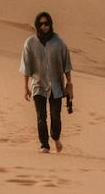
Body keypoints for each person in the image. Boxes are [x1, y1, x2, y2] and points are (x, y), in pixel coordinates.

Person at [20, 11, 73, 153]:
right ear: (37, 25)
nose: (44, 27)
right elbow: (26, 67)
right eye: (41, 24)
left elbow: (66, 65)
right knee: (41, 117)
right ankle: (44, 145)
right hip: (38, 85)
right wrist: (25, 87)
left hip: (56, 87)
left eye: (47, 24)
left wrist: (69, 84)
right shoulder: (30, 43)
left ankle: (55, 137)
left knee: (56, 117)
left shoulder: (59, 43)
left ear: (51, 25)